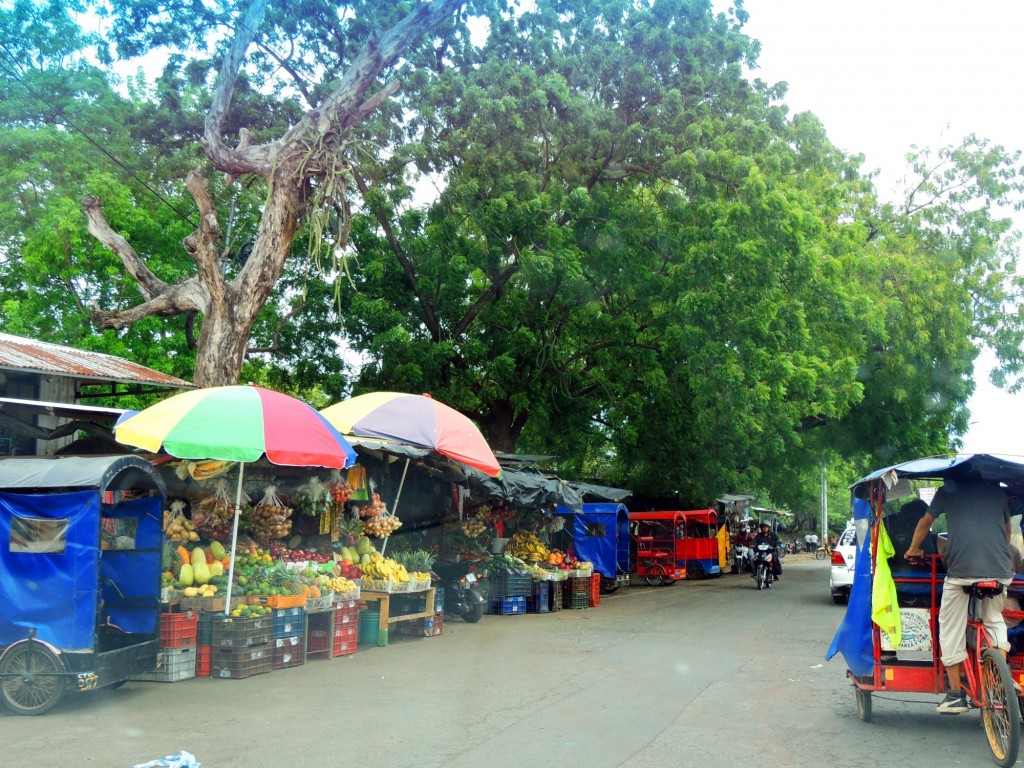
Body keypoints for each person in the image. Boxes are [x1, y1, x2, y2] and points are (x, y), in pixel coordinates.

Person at [905, 477, 1014, 715]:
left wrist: (913, 549)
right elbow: (1007, 532)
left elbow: (925, 524)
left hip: (962, 574)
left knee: (950, 626)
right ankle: (1001, 679)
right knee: (994, 618)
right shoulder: (998, 493)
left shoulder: (947, 491)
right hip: (1001, 572)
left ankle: (955, 694)